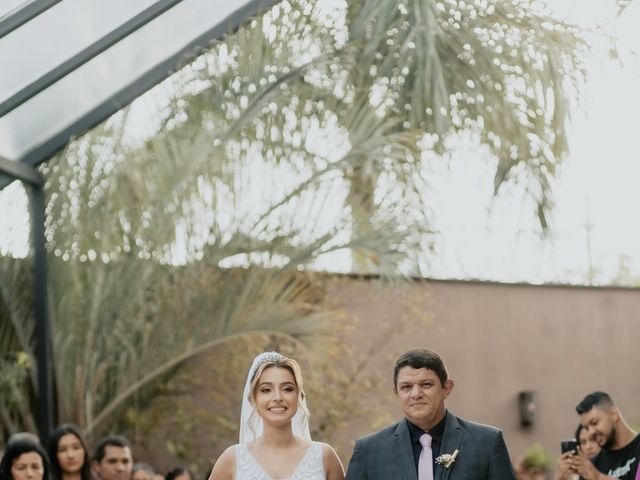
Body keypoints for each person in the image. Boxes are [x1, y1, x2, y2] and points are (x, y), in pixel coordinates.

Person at [345, 347, 516, 479]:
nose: (416, 394)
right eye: (406, 387)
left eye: (426, 384)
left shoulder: (486, 443)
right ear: (396, 392)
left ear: (446, 388)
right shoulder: (369, 451)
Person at [208, 351, 345, 480]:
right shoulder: (232, 459)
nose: (278, 397)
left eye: (287, 389)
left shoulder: (324, 457)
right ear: (252, 399)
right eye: (266, 390)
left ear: (299, 396)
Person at [567, 392, 640, 480]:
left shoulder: (593, 472)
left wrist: (598, 477)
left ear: (613, 414)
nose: (590, 432)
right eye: (586, 428)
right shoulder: (593, 465)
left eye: (594, 423)